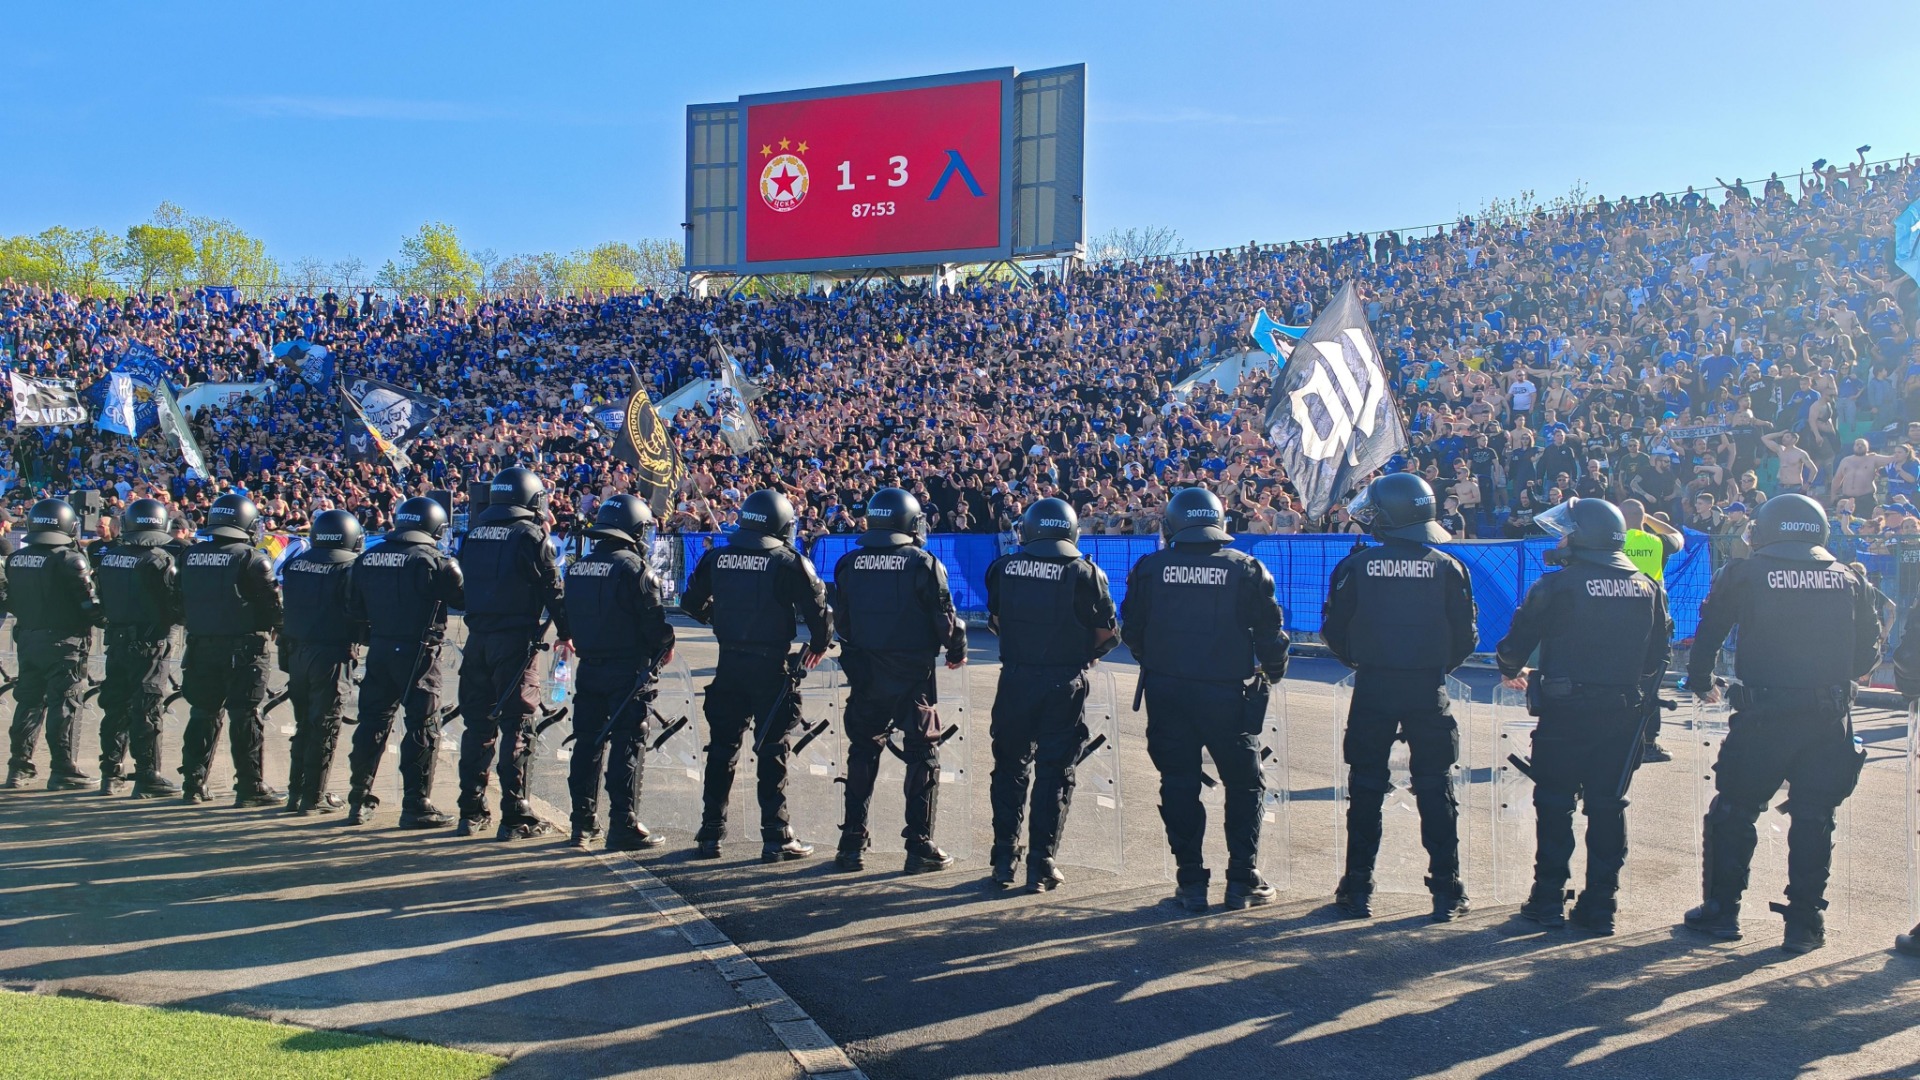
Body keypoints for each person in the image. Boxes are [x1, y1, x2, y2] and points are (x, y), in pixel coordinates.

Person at [1684, 494, 1882, 953]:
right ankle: (1805, 922)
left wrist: (1699, 679)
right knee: (1814, 816)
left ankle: (1722, 913)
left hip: (1764, 715)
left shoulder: (1745, 573)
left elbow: (1709, 630)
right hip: (1827, 716)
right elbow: (1867, 655)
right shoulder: (1849, 578)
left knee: (1734, 809)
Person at [1496, 498, 1671, 935]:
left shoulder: (1557, 585)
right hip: (1621, 714)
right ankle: (1601, 906)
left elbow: (1514, 645)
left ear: (1585, 537)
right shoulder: (1649, 587)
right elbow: (1657, 659)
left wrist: (1512, 669)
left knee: (1555, 804)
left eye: (1568, 532)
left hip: (1565, 712)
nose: (1562, 539)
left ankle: (1548, 899)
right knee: (1608, 806)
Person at [1121, 486, 1290, 912]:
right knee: (1244, 784)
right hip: (1226, 695)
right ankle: (1242, 880)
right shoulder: (1246, 568)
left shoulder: (1149, 567)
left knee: (1178, 784)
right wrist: (1271, 674)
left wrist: (1159, 663)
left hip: (1167, 691)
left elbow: (1133, 631)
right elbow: (1271, 635)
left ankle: (1191, 883)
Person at [1321, 474, 1479, 921]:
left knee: (1366, 788)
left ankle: (1357, 889)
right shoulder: (1448, 566)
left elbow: (1334, 631)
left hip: (1374, 685)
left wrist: (1365, 662)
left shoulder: (1357, 565)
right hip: (1428, 687)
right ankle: (1447, 891)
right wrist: (1432, 667)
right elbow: (1466, 637)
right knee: (1435, 786)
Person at [681, 489, 832, 861]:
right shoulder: (786, 561)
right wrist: (816, 645)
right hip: (770, 667)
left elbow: (689, 603)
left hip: (729, 662)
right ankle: (776, 835)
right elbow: (820, 616)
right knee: (772, 750)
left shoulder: (718, 557)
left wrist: (724, 620)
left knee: (721, 750)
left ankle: (711, 832)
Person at [982, 497, 1118, 892]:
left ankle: (1004, 857)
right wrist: (1080, 654)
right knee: (1055, 773)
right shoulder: (1083, 571)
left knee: (1009, 768)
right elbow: (1108, 634)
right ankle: (1041, 861)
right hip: (1064, 683)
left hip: (1015, 680)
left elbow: (996, 622)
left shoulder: (1003, 567)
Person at [830, 487, 968, 873]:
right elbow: (947, 622)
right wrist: (957, 651)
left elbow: (842, 621)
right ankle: (918, 844)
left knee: (862, 750)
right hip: (913, 677)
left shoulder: (848, 563)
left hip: (866, 674)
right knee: (923, 754)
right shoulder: (922, 562)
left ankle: (852, 841)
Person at [455, 467, 570, 840]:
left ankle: (470, 811)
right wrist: (568, 632)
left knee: (478, 728)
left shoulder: (474, 533)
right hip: (515, 643)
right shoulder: (530, 535)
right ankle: (515, 814)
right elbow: (553, 589)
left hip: (478, 640)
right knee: (518, 727)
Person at [561, 494, 676, 850]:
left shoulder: (578, 566)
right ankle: (622, 824)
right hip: (628, 671)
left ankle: (581, 823)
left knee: (587, 744)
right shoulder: (634, 569)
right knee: (627, 745)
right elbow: (655, 626)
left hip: (590, 668)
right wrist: (666, 644)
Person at [344, 497, 465, 828]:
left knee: (371, 723)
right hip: (419, 652)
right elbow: (463, 599)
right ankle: (416, 804)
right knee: (423, 727)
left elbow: (354, 610)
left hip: (381, 649)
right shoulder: (434, 561)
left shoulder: (367, 558)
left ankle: (358, 799)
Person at [178, 494, 284, 806]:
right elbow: (273, 608)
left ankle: (193, 784)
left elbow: (180, 600)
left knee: (202, 714)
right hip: (244, 649)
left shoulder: (190, 555)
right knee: (245, 715)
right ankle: (249, 786)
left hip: (200, 647)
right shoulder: (252, 558)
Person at [3, 499, 102, 791]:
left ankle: (18, 768)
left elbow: (8, 598)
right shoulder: (70, 559)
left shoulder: (17, 558)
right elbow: (90, 605)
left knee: (29, 702)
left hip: (28, 638)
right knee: (66, 704)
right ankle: (63, 768)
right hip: (66, 642)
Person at [92, 499, 184, 798]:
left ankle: (110, 774)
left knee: (115, 707)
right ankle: (147, 775)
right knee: (147, 709)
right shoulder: (159, 560)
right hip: (150, 643)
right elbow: (174, 605)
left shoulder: (109, 558)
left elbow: (102, 601)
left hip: (117, 642)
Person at [279, 509, 366, 815]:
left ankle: (295, 793)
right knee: (325, 725)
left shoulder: (296, 563)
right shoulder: (350, 566)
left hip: (297, 652)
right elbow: (358, 610)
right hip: (332, 655)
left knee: (304, 724)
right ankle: (314, 795)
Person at [1618, 499, 1685, 762]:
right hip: (1652, 621)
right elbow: (1677, 536)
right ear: (1642, 518)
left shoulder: (1614, 541)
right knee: (1650, 683)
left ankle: (1618, 737)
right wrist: (1648, 520)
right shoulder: (1657, 543)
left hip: (1619, 619)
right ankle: (1648, 742)